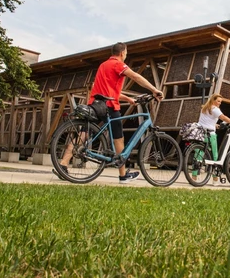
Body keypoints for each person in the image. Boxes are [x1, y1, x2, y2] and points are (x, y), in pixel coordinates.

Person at [57, 42, 163, 183]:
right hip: (110, 107)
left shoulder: (103, 65)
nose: (126, 55)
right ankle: (123, 175)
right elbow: (135, 76)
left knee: (83, 134)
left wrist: (127, 99)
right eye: (126, 53)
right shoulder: (118, 64)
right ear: (122, 53)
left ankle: (63, 164)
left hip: (95, 104)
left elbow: (106, 91)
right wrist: (154, 90)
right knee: (118, 139)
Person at [197, 94, 230, 183]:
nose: (219, 103)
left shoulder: (205, 108)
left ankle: (193, 178)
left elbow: (206, 121)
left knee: (199, 154)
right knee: (215, 156)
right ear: (213, 100)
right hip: (210, 134)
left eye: (220, 102)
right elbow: (223, 117)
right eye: (218, 101)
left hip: (200, 132)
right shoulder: (215, 109)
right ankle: (215, 179)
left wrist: (215, 125)